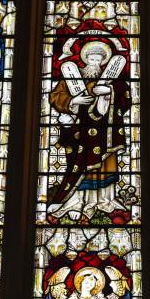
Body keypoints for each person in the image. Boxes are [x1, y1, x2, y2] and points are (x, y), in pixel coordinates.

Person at [47, 41, 130, 221]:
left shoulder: (112, 79)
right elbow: (55, 96)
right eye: (91, 58)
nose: (94, 62)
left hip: (106, 130)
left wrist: (109, 90)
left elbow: (125, 97)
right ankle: (77, 201)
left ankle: (104, 199)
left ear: (103, 61)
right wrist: (73, 102)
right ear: (85, 59)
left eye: (99, 59)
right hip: (80, 131)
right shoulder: (72, 77)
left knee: (105, 162)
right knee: (79, 162)